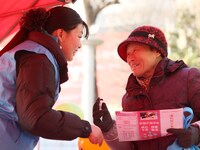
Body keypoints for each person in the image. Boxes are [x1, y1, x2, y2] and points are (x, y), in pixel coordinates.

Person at [0, 6, 103, 150]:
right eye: (79, 36)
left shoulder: (32, 52)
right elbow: (36, 118)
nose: (80, 45)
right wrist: (85, 128)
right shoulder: (38, 60)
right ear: (60, 34)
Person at [93, 25, 200, 150]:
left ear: (156, 51)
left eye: (135, 51)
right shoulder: (129, 98)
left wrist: (196, 133)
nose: (130, 59)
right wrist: (109, 128)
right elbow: (129, 148)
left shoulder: (188, 78)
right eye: (128, 54)